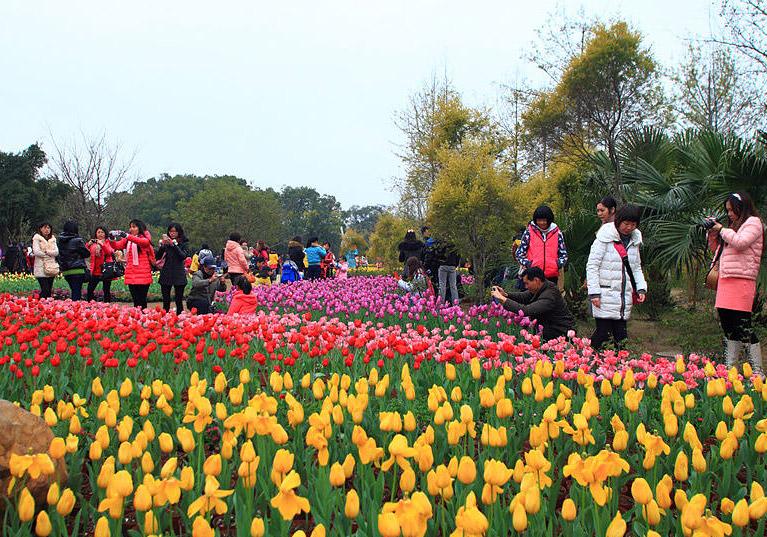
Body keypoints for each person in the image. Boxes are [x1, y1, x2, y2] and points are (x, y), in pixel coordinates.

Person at [707, 192, 764, 368]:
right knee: (728, 325)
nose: (730, 214)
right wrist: (712, 234)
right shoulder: (733, 225)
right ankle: (730, 369)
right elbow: (717, 251)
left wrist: (722, 230)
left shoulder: (754, 223)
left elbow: (741, 243)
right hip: (726, 280)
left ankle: (757, 371)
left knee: (743, 326)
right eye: (728, 210)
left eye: (732, 210)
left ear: (742, 207)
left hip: (742, 280)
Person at [586, 205, 648, 350]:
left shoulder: (634, 241)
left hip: (623, 296)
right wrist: (594, 292)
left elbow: (636, 267)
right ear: (618, 221)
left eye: (633, 225)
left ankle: (620, 367)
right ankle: (590, 362)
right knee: (603, 334)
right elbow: (592, 266)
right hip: (604, 294)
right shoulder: (603, 239)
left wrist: (641, 288)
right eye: (626, 224)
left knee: (621, 336)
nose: (629, 228)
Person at [491, 267, 575, 341]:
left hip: (559, 332)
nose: (526, 287)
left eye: (527, 283)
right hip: (548, 328)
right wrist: (506, 295)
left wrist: (503, 300)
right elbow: (524, 296)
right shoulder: (542, 287)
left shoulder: (549, 295)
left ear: (536, 280)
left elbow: (526, 310)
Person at [516, 205, 568, 284]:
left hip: (551, 276)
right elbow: (519, 253)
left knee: (548, 296)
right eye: (539, 220)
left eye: (544, 220)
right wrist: (529, 264)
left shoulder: (557, 233)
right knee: (532, 296)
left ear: (549, 220)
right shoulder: (529, 232)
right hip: (532, 276)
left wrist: (557, 264)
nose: (542, 223)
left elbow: (563, 254)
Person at [109, 219, 154, 309]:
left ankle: (143, 318)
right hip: (131, 273)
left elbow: (144, 242)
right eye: (130, 227)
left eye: (134, 227)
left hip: (143, 274)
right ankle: (136, 319)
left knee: (142, 300)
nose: (131, 229)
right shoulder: (128, 239)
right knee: (135, 300)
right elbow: (117, 246)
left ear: (139, 228)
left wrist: (127, 236)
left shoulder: (144, 236)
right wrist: (111, 238)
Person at [158, 223, 190, 314]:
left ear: (179, 232)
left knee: (178, 300)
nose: (172, 233)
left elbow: (183, 256)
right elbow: (158, 256)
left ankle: (179, 318)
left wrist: (174, 245)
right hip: (166, 272)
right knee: (166, 300)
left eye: (174, 231)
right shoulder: (166, 243)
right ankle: (165, 318)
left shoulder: (184, 243)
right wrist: (162, 246)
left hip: (178, 273)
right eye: (170, 231)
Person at [57, 221, 91, 301]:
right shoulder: (77, 240)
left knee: (74, 291)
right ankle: (75, 311)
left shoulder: (60, 241)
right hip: (77, 270)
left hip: (66, 271)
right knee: (76, 294)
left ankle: (73, 310)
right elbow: (86, 254)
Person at [86, 226, 115, 302]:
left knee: (106, 289)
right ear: (96, 234)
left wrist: (101, 244)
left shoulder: (108, 242)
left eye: (102, 232)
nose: (100, 234)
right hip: (96, 269)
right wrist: (88, 244)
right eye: (98, 232)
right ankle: (90, 304)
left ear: (105, 234)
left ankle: (107, 305)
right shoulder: (93, 243)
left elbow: (109, 252)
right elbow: (86, 252)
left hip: (106, 269)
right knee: (90, 288)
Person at [32, 223, 59, 298]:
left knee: (49, 291)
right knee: (45, 289)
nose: (47, 230)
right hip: (41, 267)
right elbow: (36, 252)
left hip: (51, 267)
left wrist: (47, 252)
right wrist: (49, 255)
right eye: (45, 228)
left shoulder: (53, 239)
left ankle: (47, 307)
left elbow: (56, 252)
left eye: (49, 228)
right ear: (40, 229)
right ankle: (37, 303)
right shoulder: (37, 238)